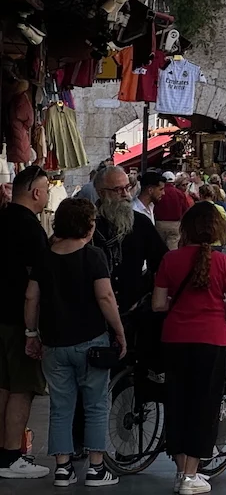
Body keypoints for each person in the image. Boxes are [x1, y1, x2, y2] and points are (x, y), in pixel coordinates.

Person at [23, 197, 125, 488]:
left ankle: (62, 468)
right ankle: (96, 468)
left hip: (54, 343)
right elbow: (105, 296)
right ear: (87, 226)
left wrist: (31, 334)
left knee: (61, 406)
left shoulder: (45, 258)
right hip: (91, 341)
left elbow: (31, 297)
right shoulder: (93, 256)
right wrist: (119, 331)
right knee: (95, 405)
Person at [153, 202, 226, 495]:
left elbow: (158, 304)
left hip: (175, 339)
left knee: (177, 404)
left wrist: (180, 304)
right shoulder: (224, 263)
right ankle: (191, 475)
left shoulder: (170, 259)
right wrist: (212, 305)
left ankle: (181, 472)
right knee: (203, 407)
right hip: (211, 340)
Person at [0, 167, 50, 479]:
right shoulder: (30, 228)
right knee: (22, 388)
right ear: (35, 192)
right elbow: (37, 281)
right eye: (46, 190)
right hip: (19, 319)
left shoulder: (1, 218)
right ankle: (10, 457)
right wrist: (35, 329)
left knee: (3, 386)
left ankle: (3, 451)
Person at [92, 166, 169, 316]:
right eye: (118, 190)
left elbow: (161, 262)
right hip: (96, 310)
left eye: (127, 188)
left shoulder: (140, 222)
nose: (126, 195)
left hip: (134, 309)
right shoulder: (89, 225)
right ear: (102, 193)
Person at [154, 172, 193, 250]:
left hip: (159, 223)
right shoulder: (179, 193)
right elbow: (186, 209)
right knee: (172, 248)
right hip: (175, 224)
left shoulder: (158, 192)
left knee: (159, 247)